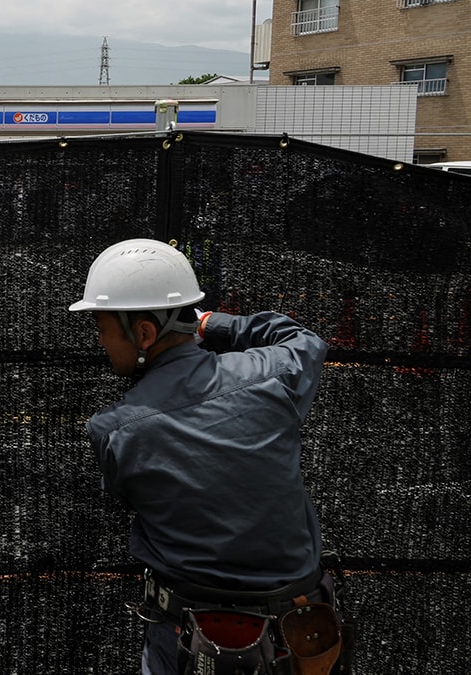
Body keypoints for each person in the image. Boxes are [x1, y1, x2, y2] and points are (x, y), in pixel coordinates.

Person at [68, 239, 348, 674]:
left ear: (143, 333)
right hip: (299, 635)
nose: (101, 340)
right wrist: (211, 324)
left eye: (102, 326)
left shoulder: (112, 431)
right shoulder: (270, 377)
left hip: (186, 638)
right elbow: (303, 340)